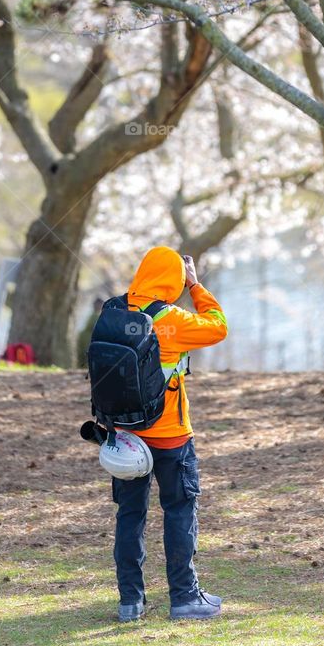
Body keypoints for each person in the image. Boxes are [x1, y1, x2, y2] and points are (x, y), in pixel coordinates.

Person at [113, 244, 228, 622]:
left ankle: (130, 601)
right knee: (179, 512)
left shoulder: (114, 312)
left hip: (125, 438)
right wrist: (196, 287)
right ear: (174, 279)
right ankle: (184, 597)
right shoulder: (172, 319)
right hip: (171, 438)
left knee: (130, 515)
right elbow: (218, 326)